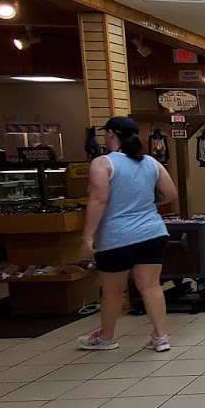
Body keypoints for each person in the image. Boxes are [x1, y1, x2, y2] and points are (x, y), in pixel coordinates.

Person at [77, 115, 178, 352]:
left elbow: (99, 199)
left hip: (115, 236)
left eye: (105, 133)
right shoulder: (152, 163)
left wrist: (87, 236)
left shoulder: (103, 163)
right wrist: (145, 203)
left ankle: (106, 337)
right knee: (150, 285)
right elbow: (170, 194)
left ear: (112, 134)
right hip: (152, 232)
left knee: (112, 290)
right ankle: (160, 336)